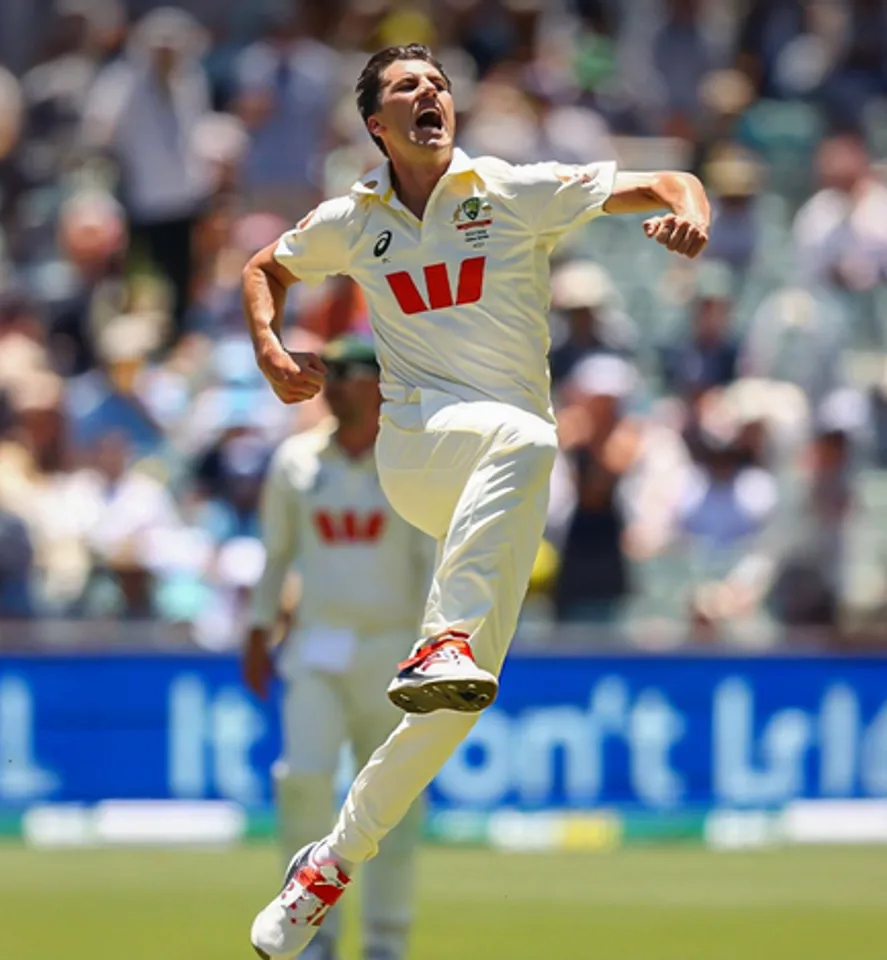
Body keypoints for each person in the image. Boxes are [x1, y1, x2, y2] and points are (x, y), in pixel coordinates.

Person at [241, 43, 710, 959]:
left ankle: (326, 867)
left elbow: (666, 180)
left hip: (496, 485)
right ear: (376, 125)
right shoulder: (353, 219)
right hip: (420, 451)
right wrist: (268, 347)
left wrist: (688, 213)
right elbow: (266, 266)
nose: (430, 94)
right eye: (406, 88)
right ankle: (443, 636)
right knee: (530, 437)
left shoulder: (507, 190)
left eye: (439, 84)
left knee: (454, 708)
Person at [242, 336, 432, 960]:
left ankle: (385, 941)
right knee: (303, 784)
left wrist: (435, 642)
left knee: (392, 803)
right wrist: (258, 628)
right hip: (317, 643)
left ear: (380, 384)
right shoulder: (297, 461)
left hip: (392, 647)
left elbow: (430, 562)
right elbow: (276, 554)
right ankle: (312, 936)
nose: (337, 386)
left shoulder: (407, 459)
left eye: (351, 374)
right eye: (334, 374)